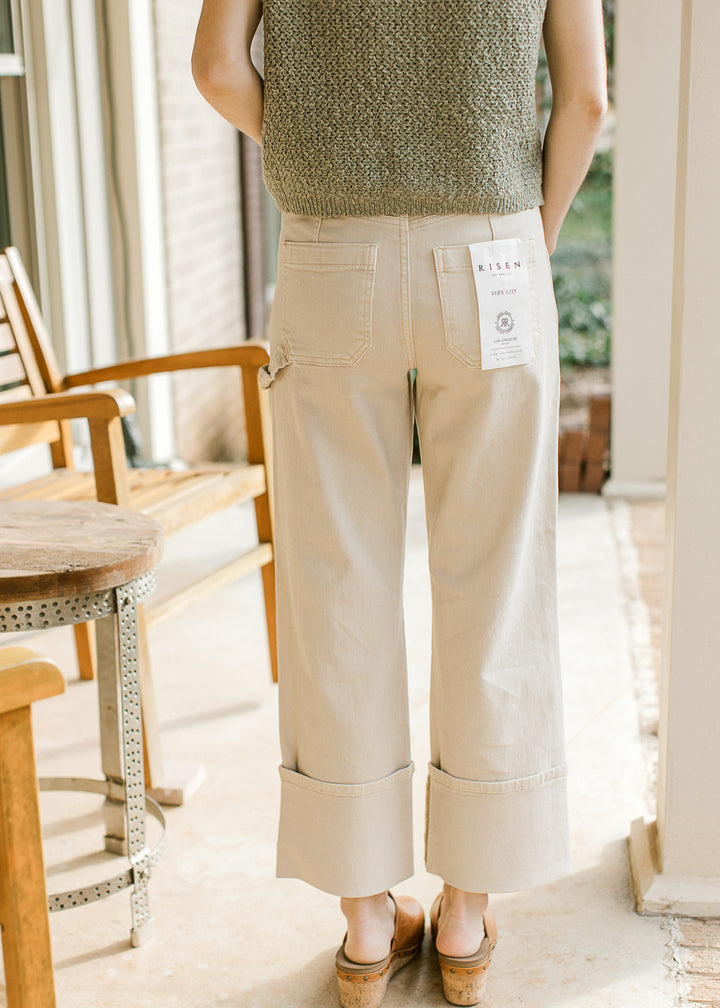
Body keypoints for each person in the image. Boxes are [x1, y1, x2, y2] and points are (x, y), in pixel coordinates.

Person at [192, 1, 607, 1005]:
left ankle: (367, 922)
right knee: (498, 579)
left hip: (330, 255)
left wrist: (315, 149)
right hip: (493, 250)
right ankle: (465, 914)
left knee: (335, 580)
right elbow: (586, 102)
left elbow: (217, 69)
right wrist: (532, 235)